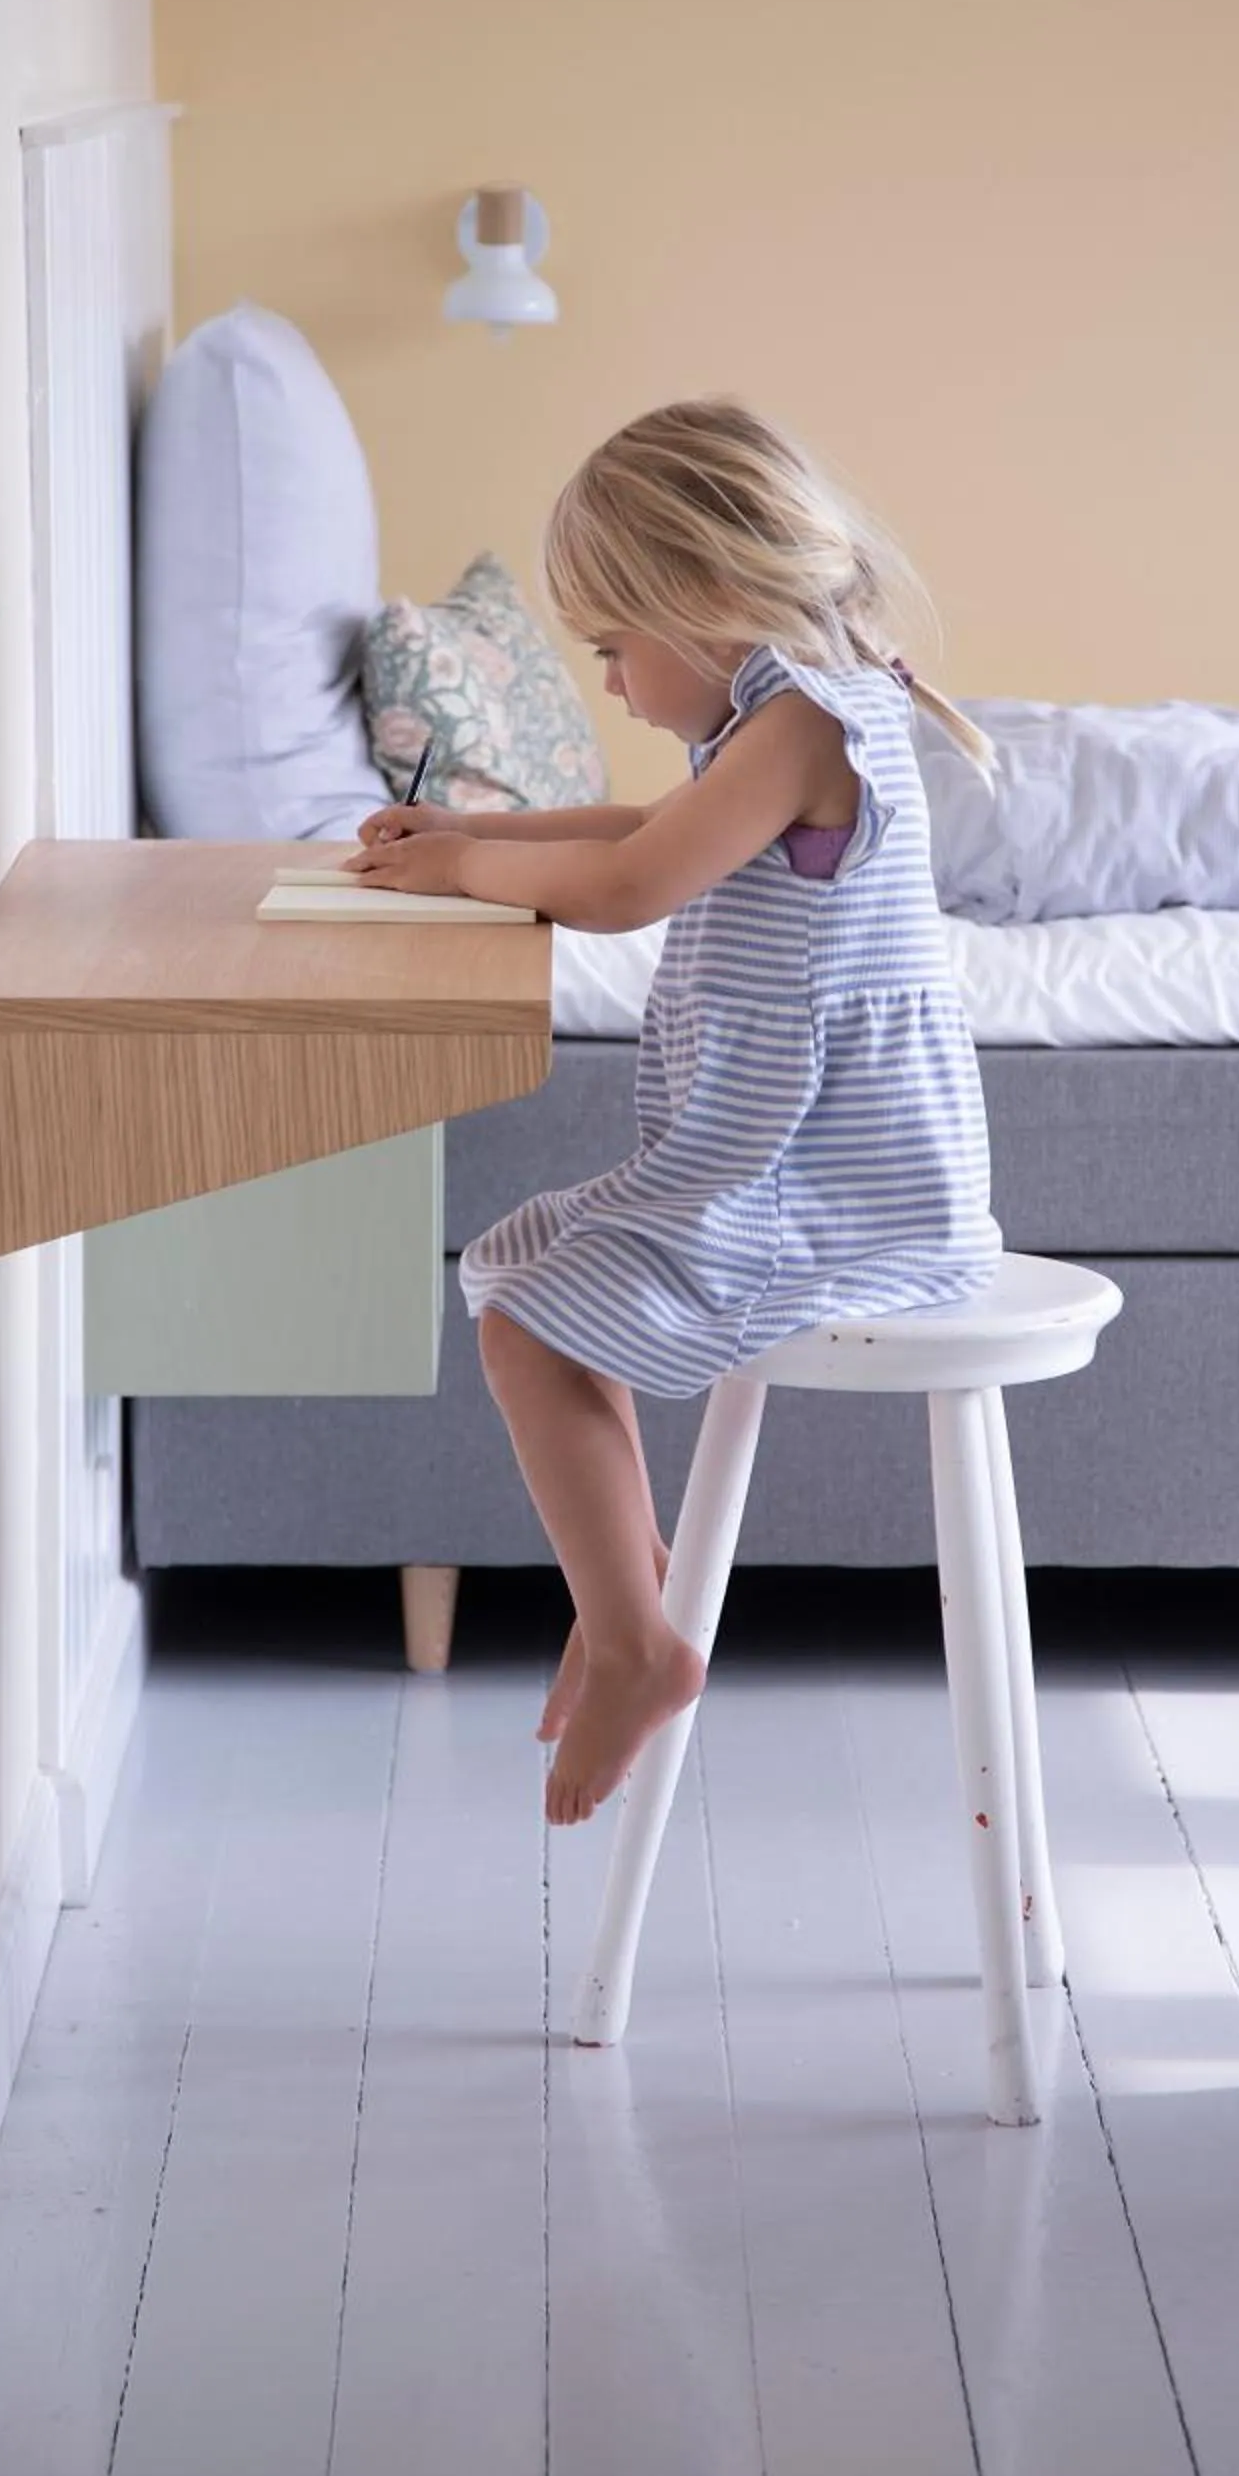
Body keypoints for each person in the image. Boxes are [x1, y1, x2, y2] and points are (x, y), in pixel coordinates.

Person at [349, 399, 999, 1824]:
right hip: (814, 1166)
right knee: (518, 1259)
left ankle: (640, 1638)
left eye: (613, 651)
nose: (619, 687)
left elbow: (636, 887)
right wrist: (472, 836)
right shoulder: (803, 706)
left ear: (704, 600)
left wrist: (464, 878)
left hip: (816, 1195)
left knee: (523, 1314)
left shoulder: (804, 726)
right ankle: (625, 1588)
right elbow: (640, 830)